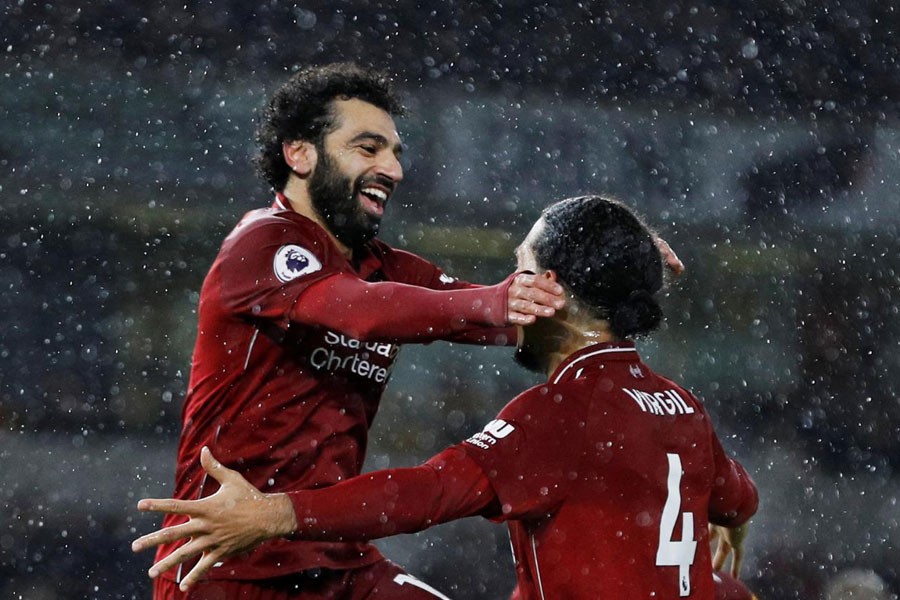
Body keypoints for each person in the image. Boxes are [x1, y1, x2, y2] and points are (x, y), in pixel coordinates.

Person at [134, 195, 755, 599]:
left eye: (519, 270)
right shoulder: (682, 408)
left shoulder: (559, 414)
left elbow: (424, 493)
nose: (507, 288)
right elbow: (739, 498)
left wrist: (276, 513)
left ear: (551, 288)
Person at [147, 61, 573, 600]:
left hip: (333, 558)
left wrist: (610, 261)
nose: (392, 170)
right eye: (368, 149)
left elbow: (512, 318)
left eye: (395, 153)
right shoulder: (261, 244)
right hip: (227, 561)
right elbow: (360, 311)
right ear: (299, 154)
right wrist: (495, 300)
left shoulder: (385, 266)